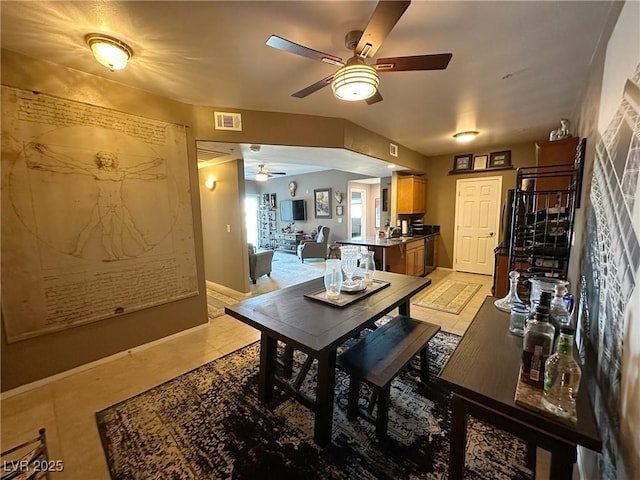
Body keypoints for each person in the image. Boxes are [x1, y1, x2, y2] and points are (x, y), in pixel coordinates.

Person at [27, 143, 166, 261]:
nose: (106, 161)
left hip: (118, 204)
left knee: (127, 227)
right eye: (103, 159)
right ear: (100, 160)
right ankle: (92, 252)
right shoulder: (95, 171)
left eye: (109, 159)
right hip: (103, 204)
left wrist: (155, 171)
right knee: (102, 229)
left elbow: (139, 172)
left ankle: (134, 250)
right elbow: (69, 165)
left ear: (113, 160)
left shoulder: (120, 173)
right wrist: (45, 159)